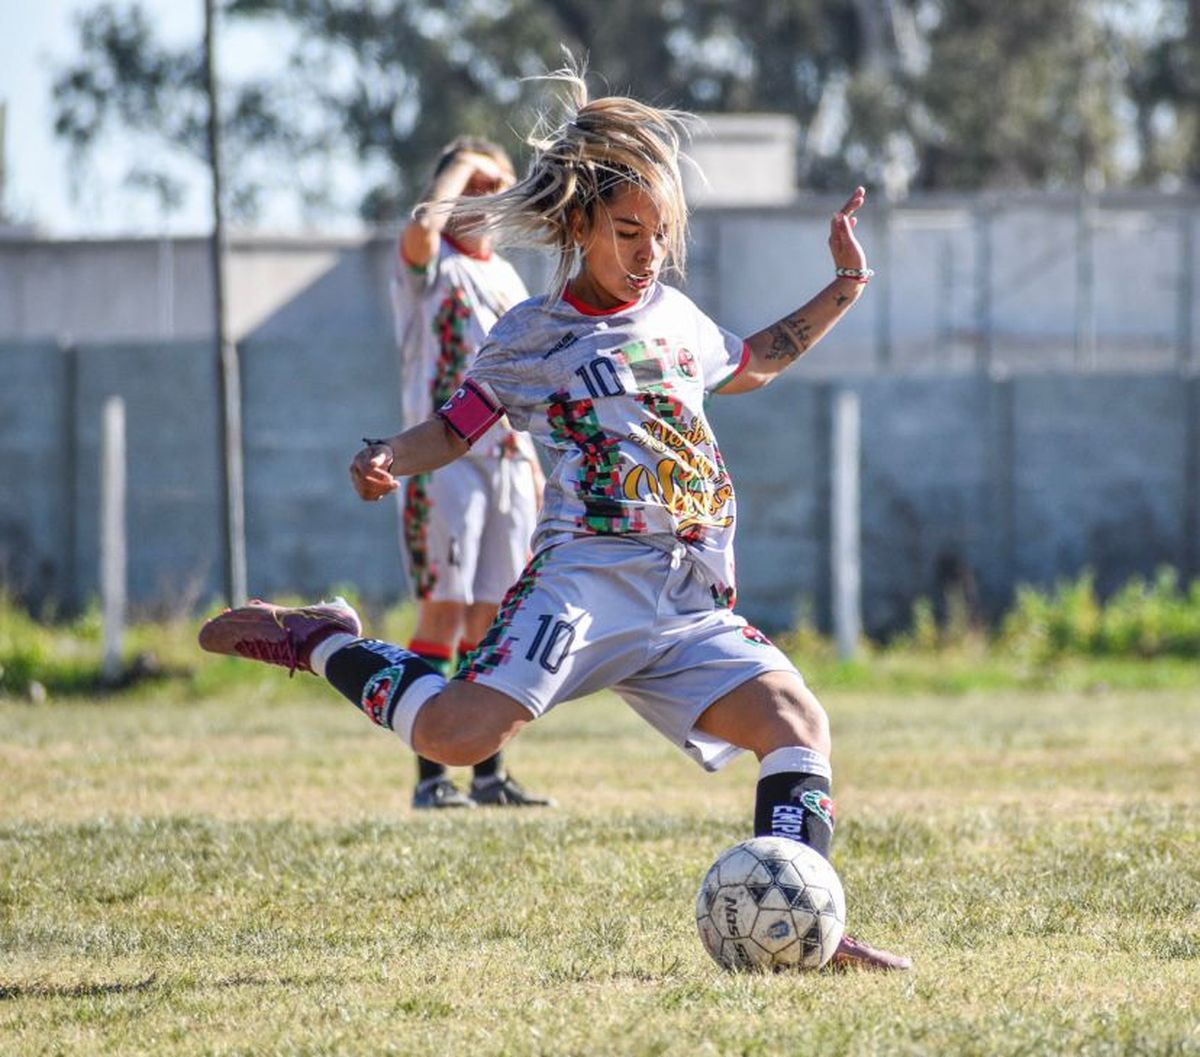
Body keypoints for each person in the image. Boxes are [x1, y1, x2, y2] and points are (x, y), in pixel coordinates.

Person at [200, 64, 910, 970]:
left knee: (795, 720)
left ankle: (805, 920)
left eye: (660, 234)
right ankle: (321, 639)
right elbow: (453, 429)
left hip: (686, 597)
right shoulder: (534, 334)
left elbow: (757, 361)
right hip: (586, 578)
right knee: (455, 735)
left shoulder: (678, 319)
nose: (648, 253)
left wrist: (846, 281)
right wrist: (388, 456)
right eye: (628, 232)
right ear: (579, 226)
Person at [388, 135, 551, 809]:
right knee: (444, 610)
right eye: (473, 187)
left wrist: (535, 464)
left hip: (508, 461)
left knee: (493, 619)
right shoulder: (433, 267)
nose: (486, 199)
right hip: (445, 463)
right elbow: (422, 230)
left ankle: (487, 774)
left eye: (498, 187)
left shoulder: (508, 277)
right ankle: (431, 777)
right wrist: (459, 163)